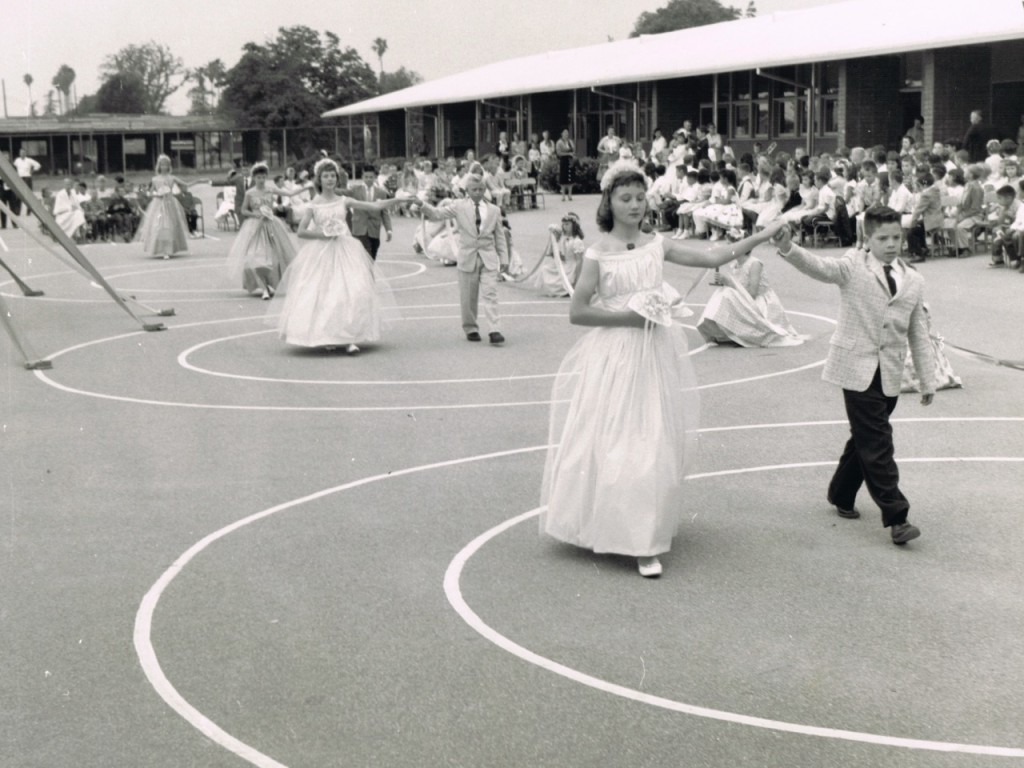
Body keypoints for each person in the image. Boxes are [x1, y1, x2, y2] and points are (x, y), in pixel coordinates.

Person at [539, 160, 784, 577]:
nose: (635, 205)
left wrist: (762, 234)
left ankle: (642, 541)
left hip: (653, 353)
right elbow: (578, 312)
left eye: (640, 197)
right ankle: (600, 524)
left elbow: (714, 256)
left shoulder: (659, 244)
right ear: (609, 202)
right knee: (609, 438)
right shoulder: (598, 254)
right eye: (625, 198)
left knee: (650, 439)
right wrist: (629, 319)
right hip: (614, 355)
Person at [772, 205, 935, 545]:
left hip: (889, 374)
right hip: (855, 367)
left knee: (864, 438)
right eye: (882, 238)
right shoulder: (853, 266)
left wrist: (926, 378)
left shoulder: (914, 279)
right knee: (878, 441)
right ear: (867, 238)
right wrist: (789, 247)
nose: (891, 244)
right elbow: (820, 267)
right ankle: (897, 516)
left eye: (896, 237)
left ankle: (841, 493)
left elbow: (918, 331)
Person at [270, 158, 405, 354]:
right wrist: (324, 234)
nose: (330, 179)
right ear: (319, 180)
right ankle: (328, 336)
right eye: (326, 176)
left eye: (333, 176)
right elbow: (301, 232)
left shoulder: (344, 200)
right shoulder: (313, 204)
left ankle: (349, 337)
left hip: (345, 250)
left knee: (353, 290)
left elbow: (374, 206)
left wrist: (399, 200)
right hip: (321, 252)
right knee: (324, 293)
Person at [414, 175, 510, 345]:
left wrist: (504, 258)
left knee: (491, 294)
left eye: (481, 189)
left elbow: (500, 236)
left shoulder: (494, 210)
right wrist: (421, 204)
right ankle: (471, 328)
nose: (478, 192)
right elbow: (437, 214)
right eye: (474, 189)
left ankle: (495, 329)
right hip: (467, 257)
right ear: (467, 190)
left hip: (488, 258)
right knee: (468, 297)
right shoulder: (458, 206)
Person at [226, 162, 306, 300]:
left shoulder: (270, 189)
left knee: (274, 258)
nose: (261, 180)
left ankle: (269, 285)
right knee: (254, 258)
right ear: (254, 178)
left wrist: (308, 187)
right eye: (258, 177)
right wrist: (255, 215)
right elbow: (243, 210)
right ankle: (264, 288)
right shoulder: (250, 193)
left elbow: (290, 193)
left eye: (264, 177)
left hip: (271, 225)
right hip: (254, 227)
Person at [697, 248, 804, 348]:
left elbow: (752, 293)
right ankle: (713, 329)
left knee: (727, 294)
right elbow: (739, 286)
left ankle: (737, 332)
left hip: (759, 302)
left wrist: (729, 283)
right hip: (744, 297)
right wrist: (724, 283)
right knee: (722, 292)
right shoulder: (735, 264)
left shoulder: (754, 264)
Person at [136, 154, 208, 259]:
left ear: (169, 166)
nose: (164, 167)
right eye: (162, 165)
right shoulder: (155, 179)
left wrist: (198, 181)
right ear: (159, 166)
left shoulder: (172, 178)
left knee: (170, 226)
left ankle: (168, 250)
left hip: (170, 204)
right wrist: (157, 193)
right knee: (159, 226)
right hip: (158, 204)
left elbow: (186, 184)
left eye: (166, 165)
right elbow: (149, 192)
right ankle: (159, 248)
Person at [527, 212, 586, 297]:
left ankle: (568, 288)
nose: (565, 227)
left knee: (567, 279)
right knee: (545, 269)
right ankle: (558, 289)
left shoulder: (577, 241)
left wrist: (578, 279)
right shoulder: (563, 238)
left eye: (568, 224)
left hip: (572, 267)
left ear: (574, 226)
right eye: (564, 225)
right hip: (564, 265)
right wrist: (553, 239)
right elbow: (552, 254)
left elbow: (579, 261)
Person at [347, 165, 393, 260]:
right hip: (359, 230)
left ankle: (367, 273)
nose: (368, 179)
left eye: (371, 177)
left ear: (375, 177)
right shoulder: (355, 190)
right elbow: (342, 193)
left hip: (374, 230)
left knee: (372, 257)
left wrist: (389, 229)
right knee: (364, 257)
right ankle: (365, 274)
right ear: (363, 177)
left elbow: (384, 213)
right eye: (366, 177)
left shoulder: (381, 192)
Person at [556, 129, 575, 201]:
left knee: (571, 178)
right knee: (563, 178)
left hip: (570, 160)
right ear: (562, 134)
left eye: (567, 133)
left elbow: (573, 149)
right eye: (564, 133)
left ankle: (570, 195)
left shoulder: (570, 141)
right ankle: (563, 195)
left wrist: (572, 151)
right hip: (563, 160)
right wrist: (568, 153)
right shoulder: (559, 142)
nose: (566, 135)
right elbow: (559, 153)